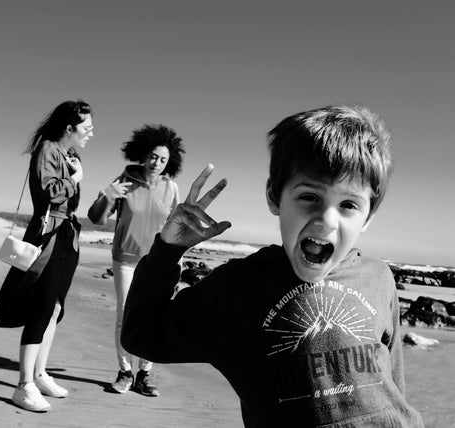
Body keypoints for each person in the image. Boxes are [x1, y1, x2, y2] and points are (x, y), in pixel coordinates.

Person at [121, 106, 425, 427]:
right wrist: (167, 251)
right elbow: (142, 335)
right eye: (309, 196)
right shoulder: (237, 288)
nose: (326, 221)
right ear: (274, 196)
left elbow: (394, 386)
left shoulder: (379, 278)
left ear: (368, 218)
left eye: (349, 204)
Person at [0, 99, 93, 412]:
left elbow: (70, 199)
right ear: (69, 128)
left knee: (55, 307)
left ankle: (40, 372)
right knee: (41, 306)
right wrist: (74, 178)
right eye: (87, 127)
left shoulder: (70, 154)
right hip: (47, 236)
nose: (91, 132)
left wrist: (75, 175)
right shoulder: (48, 149)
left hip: (67, 237)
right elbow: (49, 192)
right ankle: (24, 385)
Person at [87, 124, 185, 397]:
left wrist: (178, 260)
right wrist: (108, 194)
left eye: (163, 159)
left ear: (170, 163)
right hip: (126, 259)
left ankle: (145, 373)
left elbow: (175, 227)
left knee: (153, 316)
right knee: (124, 315)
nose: (157, 163)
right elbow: (96, 218)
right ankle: (124, 371)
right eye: (154, 156)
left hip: (156, 263)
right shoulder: (125, 180)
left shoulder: (171, 188)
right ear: (144, 154)